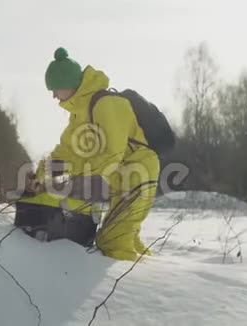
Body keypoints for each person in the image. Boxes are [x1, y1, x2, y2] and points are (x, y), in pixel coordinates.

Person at [27, 47, 160, 261]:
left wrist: (73, 181)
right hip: (121, 182)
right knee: (125, 239)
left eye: (55, 89)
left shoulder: (108, 104)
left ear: (67, 84)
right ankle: (154, 271)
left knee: (113, 241)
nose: (53, 96)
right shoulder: (80, 114)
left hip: (139, 173)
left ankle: (139, 287)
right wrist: (40, 176)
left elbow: (111, 155)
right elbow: (66, 154)